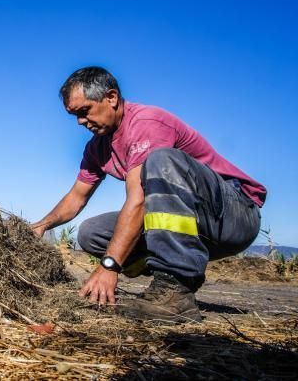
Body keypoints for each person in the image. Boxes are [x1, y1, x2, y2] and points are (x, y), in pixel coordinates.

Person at [31, 67, 266, 323]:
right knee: (92, 232)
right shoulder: (96, 148)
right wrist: (42, 226)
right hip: (197, 227)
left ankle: (176, 290)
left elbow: (139, 199)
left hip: (234, 215)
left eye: (84, 111)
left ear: (111, 97)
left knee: (162, 161)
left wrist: (109, 265)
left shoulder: (146, 123)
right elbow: (77, 197)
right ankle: (163, 270)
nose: (80, 121)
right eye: (74, 115)